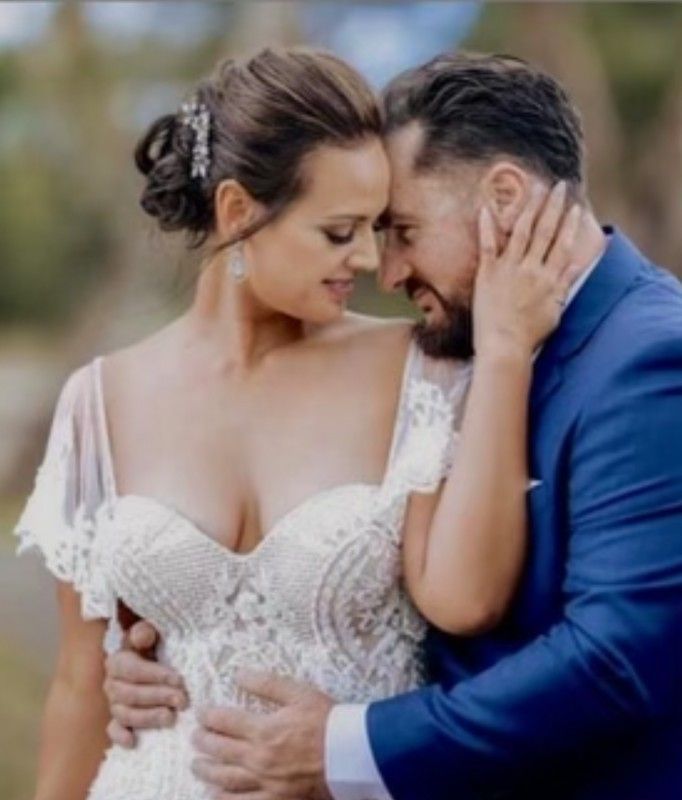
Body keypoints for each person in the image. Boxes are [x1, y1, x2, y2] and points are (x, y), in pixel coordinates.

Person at [105, 53, 682, 800]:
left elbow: (618, 660)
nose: (388, 270)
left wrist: (348, 745)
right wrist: (173, 653)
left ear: (504, 196)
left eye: (403, 228)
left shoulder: (651, 360)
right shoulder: (470, 353)